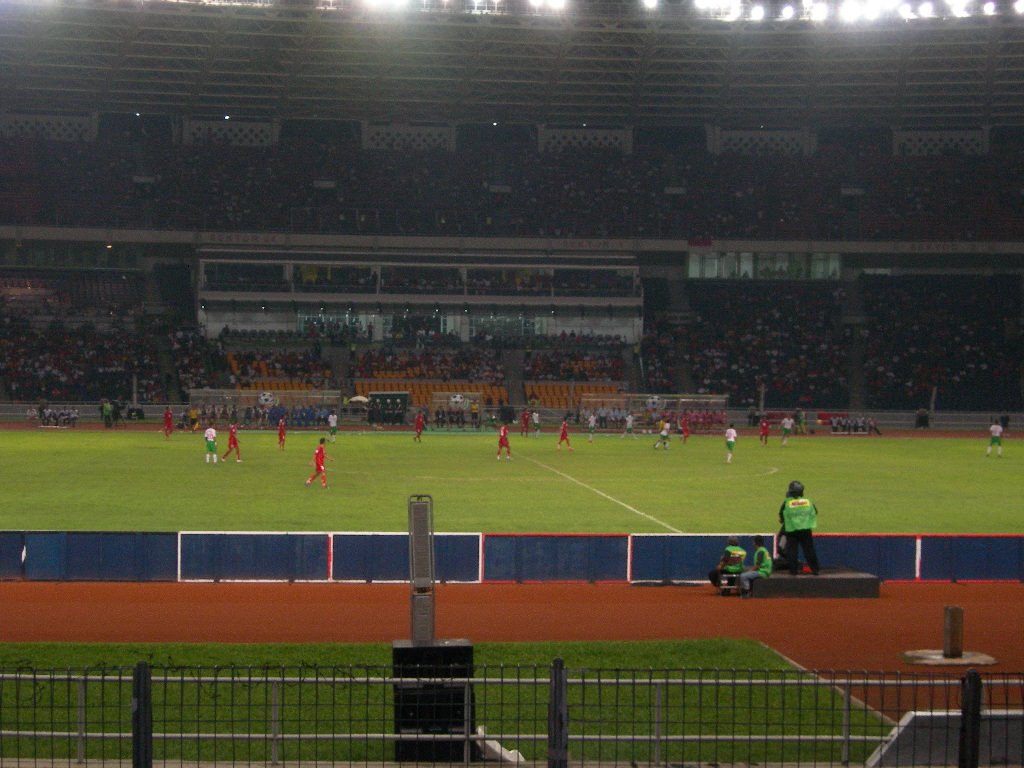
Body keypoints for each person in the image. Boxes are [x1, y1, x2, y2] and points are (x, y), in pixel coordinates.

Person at [779, 480, 820, 575]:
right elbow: (815, 512)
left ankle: (793, 571)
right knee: (809, 550)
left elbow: (781, 514)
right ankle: (815, 569)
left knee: (792, 551)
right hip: (805, 529)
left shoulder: (787, 502)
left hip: (792, 529)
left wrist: (783, 520)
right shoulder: (808, 501)